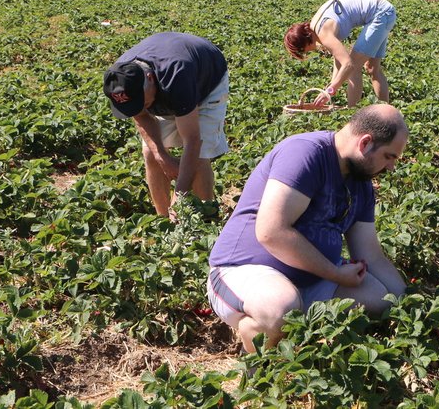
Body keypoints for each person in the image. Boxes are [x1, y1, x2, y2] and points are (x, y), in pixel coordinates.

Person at [206, 105, 409, 353]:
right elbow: (272, 232)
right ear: (365, 143)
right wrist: (335, 273)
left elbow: (372, 255)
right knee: (280, 308)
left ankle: (298, 342)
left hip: (309, 280)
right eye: (389, 156)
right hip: (244, 270)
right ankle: (257, 362)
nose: (390, 168)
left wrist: (409, 306)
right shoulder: (305, 154)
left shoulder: (361, 184)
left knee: (378, 299)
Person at [103, 32, 229, 218]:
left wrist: (180, 194)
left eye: (141, 102)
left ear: (150, 79)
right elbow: (141, 117)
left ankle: (206, 217)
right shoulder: (120, 78)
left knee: (199, 157)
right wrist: (161, 155)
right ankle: (164, 221)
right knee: (150, 153)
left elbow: (193, 140)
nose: (140, 108)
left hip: (206, 81)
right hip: (169, 82)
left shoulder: (177, 76)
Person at [284, 0, 397, 107]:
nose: (307, 52)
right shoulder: (315, 25)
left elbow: (348, 65)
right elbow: (338, 59)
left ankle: (353, 116)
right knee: (372, 68)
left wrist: (331, 90)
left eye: (302, 50)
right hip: (384, 10)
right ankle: (386, 112)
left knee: (354, 67)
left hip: (381, 14)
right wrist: (332, 85)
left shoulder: (323, 33)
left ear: (305, 42)